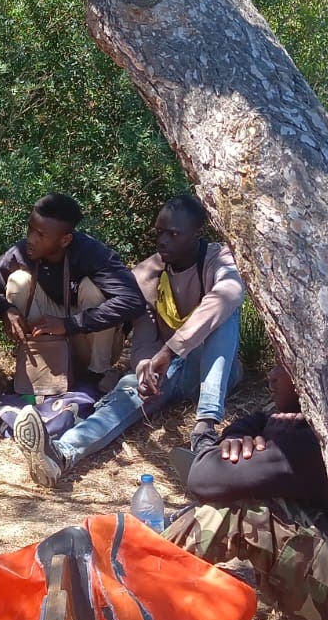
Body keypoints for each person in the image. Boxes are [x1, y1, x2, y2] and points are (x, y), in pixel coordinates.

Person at [14, 194, 243, 486]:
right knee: (125, 394)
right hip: (171, 371)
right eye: (159, 231)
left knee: (224, 313)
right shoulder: (149, 273)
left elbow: (231, 293)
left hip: (214, 370)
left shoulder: (218, 258)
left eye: (173, 234)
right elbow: (145, 338)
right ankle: (61, 453)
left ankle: (205, 430)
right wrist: (145, 367)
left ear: (197, 233)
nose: (163, 241)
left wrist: (170, 351)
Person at [166, 360, 328, 620]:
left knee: (242, 512)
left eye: (285, 363)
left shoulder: (314, 444)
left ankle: (130, 590)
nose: (271, 375)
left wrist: (269, 437)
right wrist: (236, 437)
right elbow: (254, 420)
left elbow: (201, 475)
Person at [0, 193, 146, 386]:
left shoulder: (92, 253)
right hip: (49, 338)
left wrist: (69, 324)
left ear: (65, 240)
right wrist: (5, 308)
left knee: (92, 288)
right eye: (30, 229)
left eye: (41, 235)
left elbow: (133, 300)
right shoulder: (22, 252)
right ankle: (40, 372)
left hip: (86, 337)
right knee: (18, 281)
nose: (31, 238)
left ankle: (97, 375)